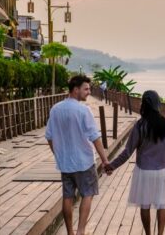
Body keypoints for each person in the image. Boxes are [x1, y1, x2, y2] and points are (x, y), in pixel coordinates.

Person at [45, 75, 111, 235]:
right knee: (87, 194)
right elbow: (95, 137)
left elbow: (49, 136)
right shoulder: (83, 110)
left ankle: (70, 233)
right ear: (76, 90)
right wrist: (105, 160)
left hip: (65, 163)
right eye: (86, 89)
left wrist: (58, 154)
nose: (89, 92)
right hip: (84, 162)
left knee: (67, 197)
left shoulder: (56, 109)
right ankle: (81, 231)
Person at [106, 90, 165, 235]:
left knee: (145, 205)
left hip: (144, 171)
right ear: (158, 103)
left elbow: (127, 151)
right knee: (163, 204)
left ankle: (148, 234)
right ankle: (160, 233)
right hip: (162, 170)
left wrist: (111, 165)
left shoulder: (140, 125)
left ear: (143, 104)